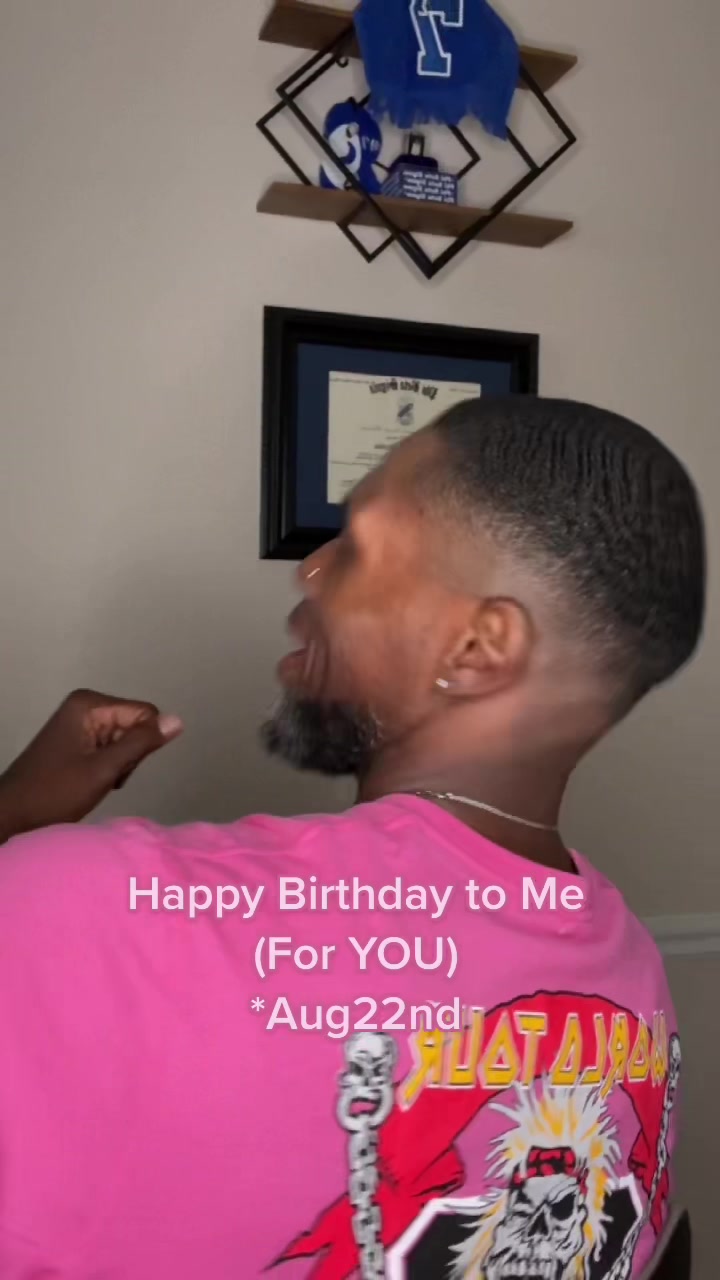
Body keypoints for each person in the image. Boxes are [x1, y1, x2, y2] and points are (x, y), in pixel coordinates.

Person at [0, 397, 704, 1280]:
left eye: (359, 548)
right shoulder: (628, 972)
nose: (312, 569)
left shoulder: (99, 911)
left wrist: (13, 812)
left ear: (476, 647)